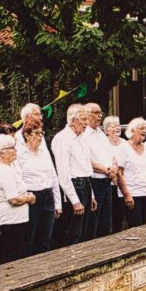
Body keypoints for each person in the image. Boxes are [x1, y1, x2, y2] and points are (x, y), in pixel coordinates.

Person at [0, 134, 35, 264]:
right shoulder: (4, 171)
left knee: (5, 251)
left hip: (11, 219)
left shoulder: (3, 168)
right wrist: (29, 197)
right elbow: (13, 199)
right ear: (2, 153)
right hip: (11, 219)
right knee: (11, 254)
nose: (16, 150)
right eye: (12, 148)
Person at [51, 103, 95, 247]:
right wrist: (75, 201)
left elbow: (86, 167)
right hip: (75, 186)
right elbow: (63, 174)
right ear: (72, 120)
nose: (86, 123)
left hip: (86, 184)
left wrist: (92, 195)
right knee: (73, 231)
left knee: (84, 230)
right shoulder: (62, 139)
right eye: (83, 119)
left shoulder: (82, 138)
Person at [17, 117, 62, 255]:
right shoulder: (20, 154)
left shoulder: (43, 152)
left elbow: (53, 176)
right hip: (32, 198)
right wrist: (26, 196)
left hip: (48, 196)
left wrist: (58, 203)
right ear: (27, 135)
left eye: (41, 133)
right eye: (36, 133)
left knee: (46, 237)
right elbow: (18, 179)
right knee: (29, 237)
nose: (40, 137)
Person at [83, 102, 119, 240]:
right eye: (96, 113)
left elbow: (111, 154)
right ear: (86, 114)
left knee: (106, 221)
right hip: (94, 182)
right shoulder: (84, 135)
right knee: (93, 221)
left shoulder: (101, 133)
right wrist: (106, 170)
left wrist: (114, 166)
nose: (100, 116)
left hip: (107, 182)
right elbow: (86, 160)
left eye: (100, 113)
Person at [121, 117, 146, 228]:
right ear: (132, 130)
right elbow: (119, 173)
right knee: (135, 226)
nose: (144, 131)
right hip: (132, 194)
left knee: (144, 225)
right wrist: (127, 194)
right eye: (141, 128)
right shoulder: (124, 147)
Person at [101, 115, 129, 234]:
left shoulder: (125, 143)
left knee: (121, 215)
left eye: (118, 125)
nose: (117, 128)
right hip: (110, 184)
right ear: (106, 130)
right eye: (113, 126)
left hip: (126, 183)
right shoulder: (103, 144)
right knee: (110, 215)